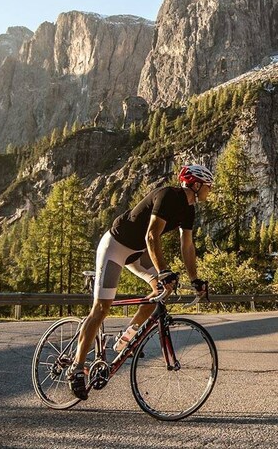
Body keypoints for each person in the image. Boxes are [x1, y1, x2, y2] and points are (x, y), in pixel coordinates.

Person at [67, 164, 214, 400]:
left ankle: (127, 336)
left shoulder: (189, 210)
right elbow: (151, 235)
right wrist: (163, 269)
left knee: (160, 290)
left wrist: (195, 279)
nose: (210, 190)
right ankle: (76, 367)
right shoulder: (168, 196)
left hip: (136, 252)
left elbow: (187, 245)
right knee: (101, 307)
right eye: (208, 185)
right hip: (115, 246)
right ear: (196, 185)